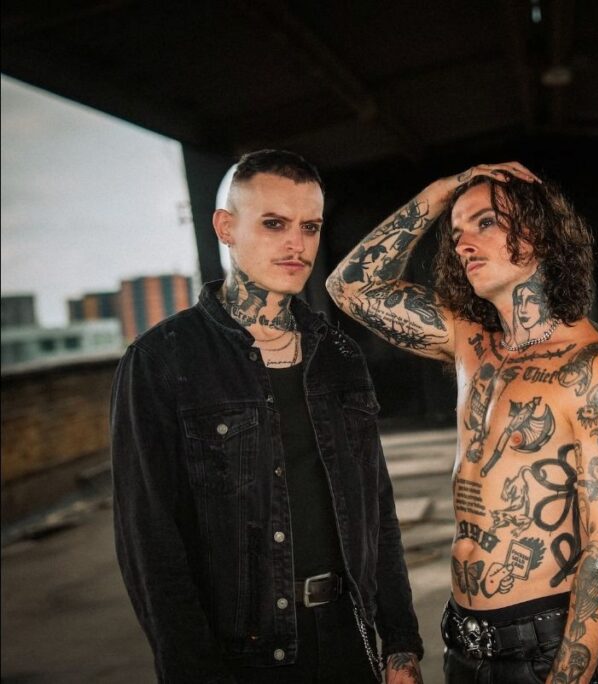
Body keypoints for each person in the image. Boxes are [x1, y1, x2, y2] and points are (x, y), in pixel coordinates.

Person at [111, 149, 423, 683]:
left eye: (310, 226)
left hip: (350, 641)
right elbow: (151, 546)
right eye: (274, 224)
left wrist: (399, 642)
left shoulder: (339, 356)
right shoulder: (162, 360)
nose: (296, 244)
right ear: (225, 228)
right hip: (246, 661)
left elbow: (377, 507)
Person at [327, 163, 598, 683]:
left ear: (539, 233)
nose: (464, 244)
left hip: (547, 649)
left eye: (486, 223)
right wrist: (441, 191)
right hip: (463, 642)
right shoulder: (471, 342)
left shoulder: (596, 371)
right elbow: (350, 287)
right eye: (456, 233)